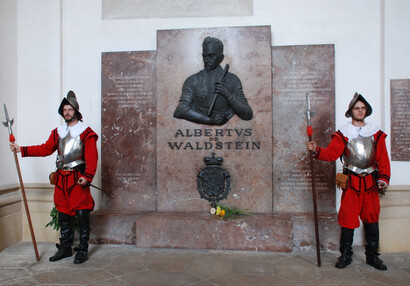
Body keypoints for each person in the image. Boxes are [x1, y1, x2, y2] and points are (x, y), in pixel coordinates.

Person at [10, 90, 98, 264]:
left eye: (70, 109)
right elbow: (45, 149)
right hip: (61, 179)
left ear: (76, 112)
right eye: (64, 109)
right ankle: (66, 248)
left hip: (78, 178)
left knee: (81, 213)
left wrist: (87, 176)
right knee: (63, 213)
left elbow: (92, 157)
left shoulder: (86, 132)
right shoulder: (57, 132)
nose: (67, 112)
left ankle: (82, 249)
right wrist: (22, 149)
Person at [307, 92, 390, 271]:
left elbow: (383, 159)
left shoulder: (376, 133)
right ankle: (345, 255)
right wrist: (316, 150)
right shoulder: (343, 133)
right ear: (351, 111)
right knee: (348, 219)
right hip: (351, 182)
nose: (360, 111)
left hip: (370, 183)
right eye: (356, 108)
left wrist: (383, 178)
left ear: (366, 111)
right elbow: (331, 154)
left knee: (371, 219)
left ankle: (373, 256)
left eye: (362, 108)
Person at [174, 36, 253, 125]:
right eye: (204, 56)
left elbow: (247, 114)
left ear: (221, 58)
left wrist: (227, 94)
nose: (206, 60)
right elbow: (180, 110)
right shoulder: (193, 80)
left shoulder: (232, 80)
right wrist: (207, 119)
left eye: (211, 56)